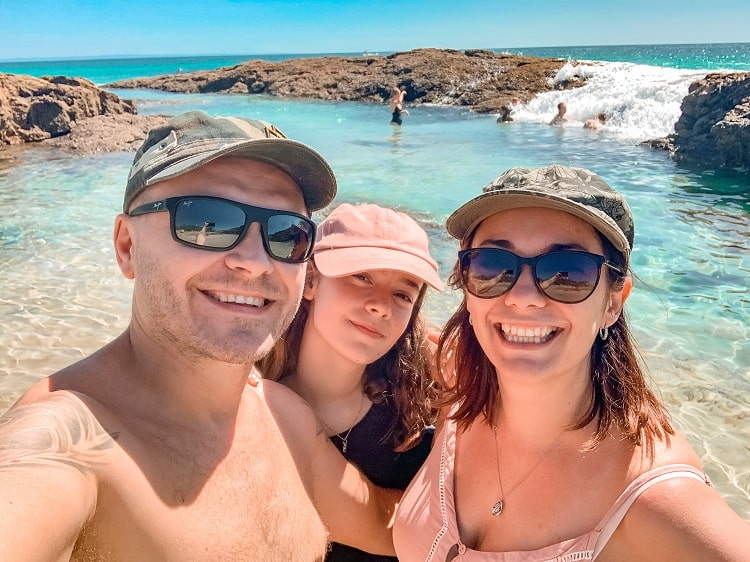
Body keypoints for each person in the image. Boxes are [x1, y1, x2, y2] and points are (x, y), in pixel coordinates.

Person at [0, 110, 401, 561]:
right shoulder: (70, 440)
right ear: (127, 246)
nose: (254, 261)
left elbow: (391, 528)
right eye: (206, 222)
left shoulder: (284, 418)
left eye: (287, 235)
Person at [393, 164, 750, 560]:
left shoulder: (657, 501)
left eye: (567, 272)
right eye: (493, 265)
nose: (523, 296)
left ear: (614, 302)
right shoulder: (460, 397)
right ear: (466, 283)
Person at [260, 202, 444, 561]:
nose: (381, 307)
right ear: (310, 280)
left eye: (403, 294)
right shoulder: (247, 402)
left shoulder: (423, 407)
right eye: (362, 277)